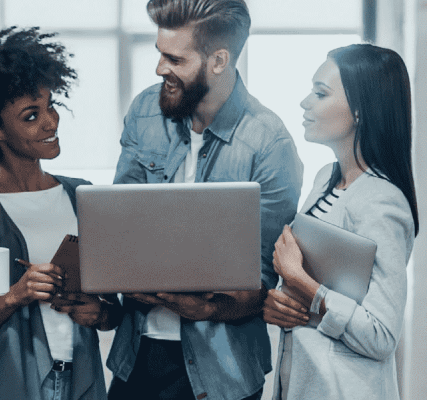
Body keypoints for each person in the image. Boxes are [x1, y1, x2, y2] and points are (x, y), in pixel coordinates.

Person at [105, 0, 303, 399]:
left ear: (218, 60)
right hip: (137, 354)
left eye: (174, 58)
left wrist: (208, 309)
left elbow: (265, 281)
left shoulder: (269, 144)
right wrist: (122, 276)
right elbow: (116, 224)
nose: (160, 68)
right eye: (159, 53)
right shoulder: (146, 110)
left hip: (222, 371)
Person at [0, 27, 122, 400]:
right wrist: (15, 296)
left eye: (51, 106)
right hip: (8, 384)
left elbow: (113, 310)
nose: (51, 122)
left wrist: (99, 313)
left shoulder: (82, 196)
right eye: (30, 116)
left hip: (82, 378)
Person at [262, 43, 418, 400]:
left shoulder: (382, 201)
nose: (305, 102)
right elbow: (316, 298)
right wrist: (280, 303)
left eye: (320, 93)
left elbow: (381, 336)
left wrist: (300, 281)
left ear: (360, 110)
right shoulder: (324, 179)